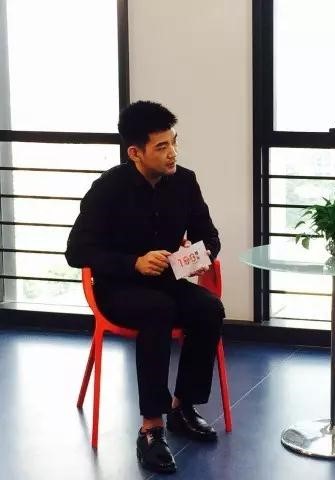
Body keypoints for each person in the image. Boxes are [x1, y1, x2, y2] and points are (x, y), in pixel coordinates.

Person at [66, 100, 225, 474]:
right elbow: (76, 251)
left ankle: (182, 408)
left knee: (209, 308)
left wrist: (196, 256)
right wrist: (133, 262)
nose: (172, 154)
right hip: (117, 289)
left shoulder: (185, 182)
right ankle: (151, 428)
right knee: (158, 310)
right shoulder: (107, 188)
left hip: (168, 281)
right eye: (162, 147)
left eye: (174, 142)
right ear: (135, 152)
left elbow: (209, 237)